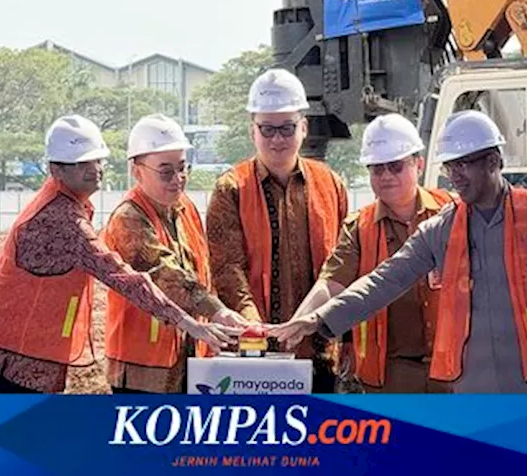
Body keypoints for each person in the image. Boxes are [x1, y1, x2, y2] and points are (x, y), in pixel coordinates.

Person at [268, 110, 527, 393]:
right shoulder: (443, 228)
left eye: (464, 165)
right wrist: (318, 319)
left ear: (494, 162)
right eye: (451, 166)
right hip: (471, 385)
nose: (455, 175)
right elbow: (385, 280)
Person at [0, 114, 242, 394]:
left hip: (35, 348)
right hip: (16, 356)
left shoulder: (73, 205)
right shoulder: (65, 218)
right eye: (81, 164)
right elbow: (126, 277)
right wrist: (190, 321)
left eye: (97, 160)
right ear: (56, 170)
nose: (94, 169)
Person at [286, 113, 455, 393]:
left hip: (452, 368)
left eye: (395, 166)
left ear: (419, 164)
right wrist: (297, 323)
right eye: (377, 169)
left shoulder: (452, 212)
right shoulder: (359, 227)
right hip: (391, 373)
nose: (386, 176)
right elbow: (331, 284)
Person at [205, 67, 349, 392]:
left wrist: (312, 323)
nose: (277, 139)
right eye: (267, 129)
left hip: (319, 349)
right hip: (252, 355)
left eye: (286, 128)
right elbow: (227, 269)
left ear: (304, 127)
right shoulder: (231, 188)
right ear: (251, 131)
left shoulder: (331, 184)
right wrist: (257, 329)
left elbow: (340, 266)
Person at [100, 114, 251, 394]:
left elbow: (203, 272)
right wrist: (216, 311)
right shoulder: (128, 218)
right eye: (166, 171)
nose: (178, 179)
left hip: (190, 355)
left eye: (183, 168)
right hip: (143, 368)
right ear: (137, 171)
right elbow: (166, 276)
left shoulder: (186, 209)